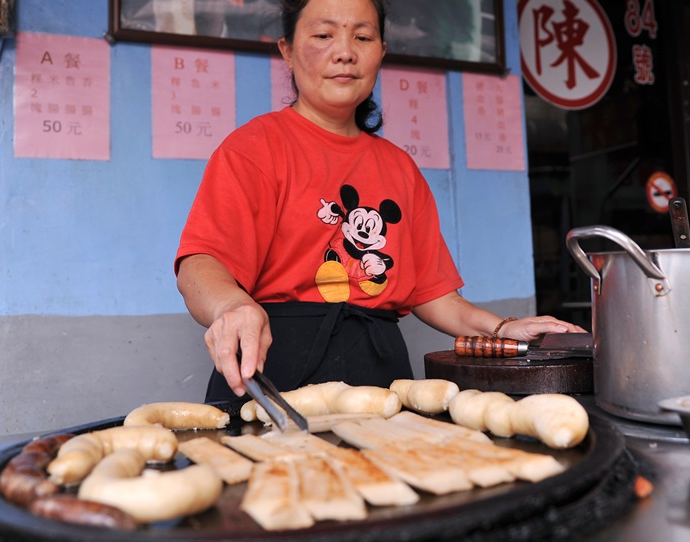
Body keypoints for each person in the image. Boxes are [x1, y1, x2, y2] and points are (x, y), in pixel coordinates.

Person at [174, 0, 584, 402]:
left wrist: (501, 329)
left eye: (363, 37)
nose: (345, 53)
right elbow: (200, 264)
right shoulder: (254, 147)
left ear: (381, 53)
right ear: (288, 50)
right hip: (274, 369)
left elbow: (433, 292)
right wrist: (231, 305)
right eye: (323, 35)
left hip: (379, 373)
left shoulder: (400, 168)